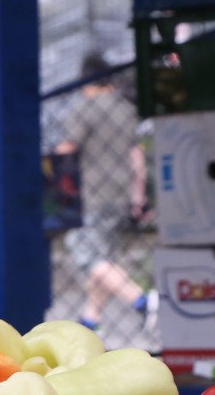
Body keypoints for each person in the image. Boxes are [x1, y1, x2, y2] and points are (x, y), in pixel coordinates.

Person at [56, 53, 148, 329]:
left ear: (86, 80)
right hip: (120, 194)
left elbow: (68, 150)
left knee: (84, 252)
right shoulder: (126, 109)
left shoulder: (88, 109)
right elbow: (137, 156)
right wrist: (138, 196)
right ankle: (90, 318)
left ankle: (142, 300)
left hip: (91, 195)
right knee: (103, 258)